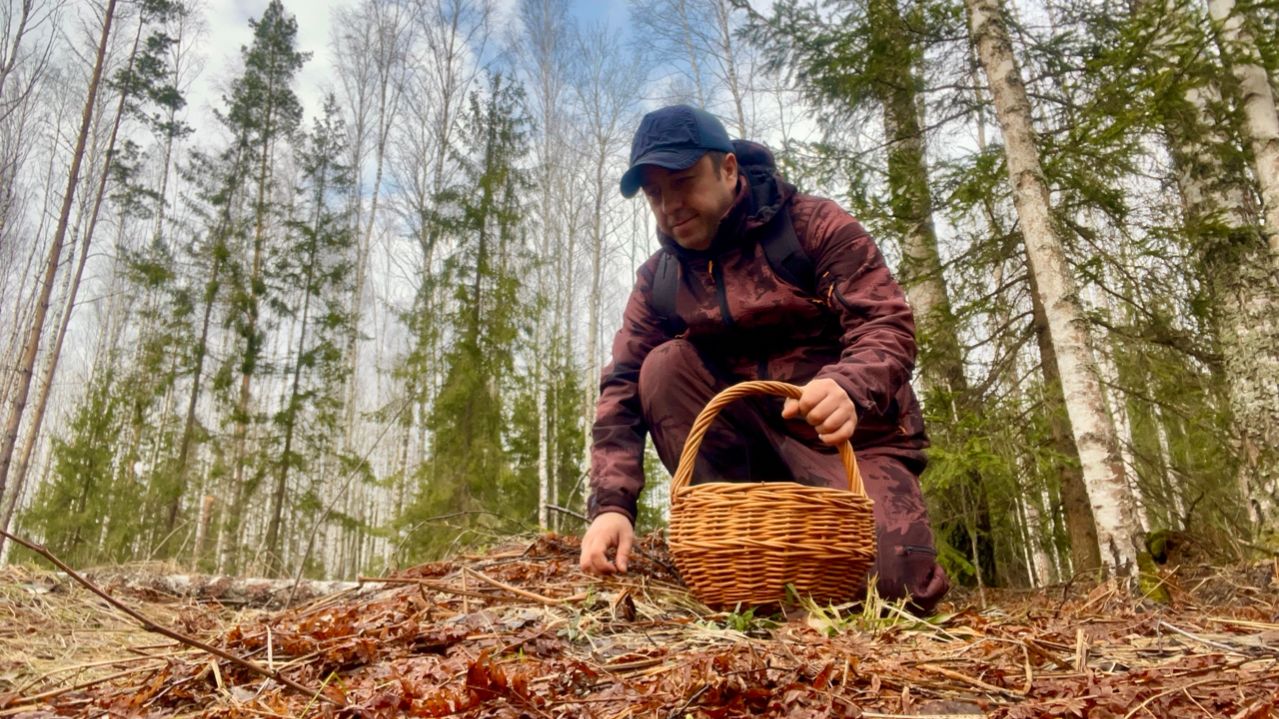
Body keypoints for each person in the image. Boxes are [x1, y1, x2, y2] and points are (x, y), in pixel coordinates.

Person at [579, 104, 949, 613]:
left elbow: (885, 322)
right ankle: (740, 552)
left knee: (893, 591)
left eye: (682, 182)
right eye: (654, 194)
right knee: (660, 366)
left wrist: (848, 386)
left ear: (728, 169)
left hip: (849, 443)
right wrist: (612, 507)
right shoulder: (659, 281)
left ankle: (834, 560)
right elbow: (620, 387)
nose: (669, 206)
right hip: (744, 458)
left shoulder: (812, 227)